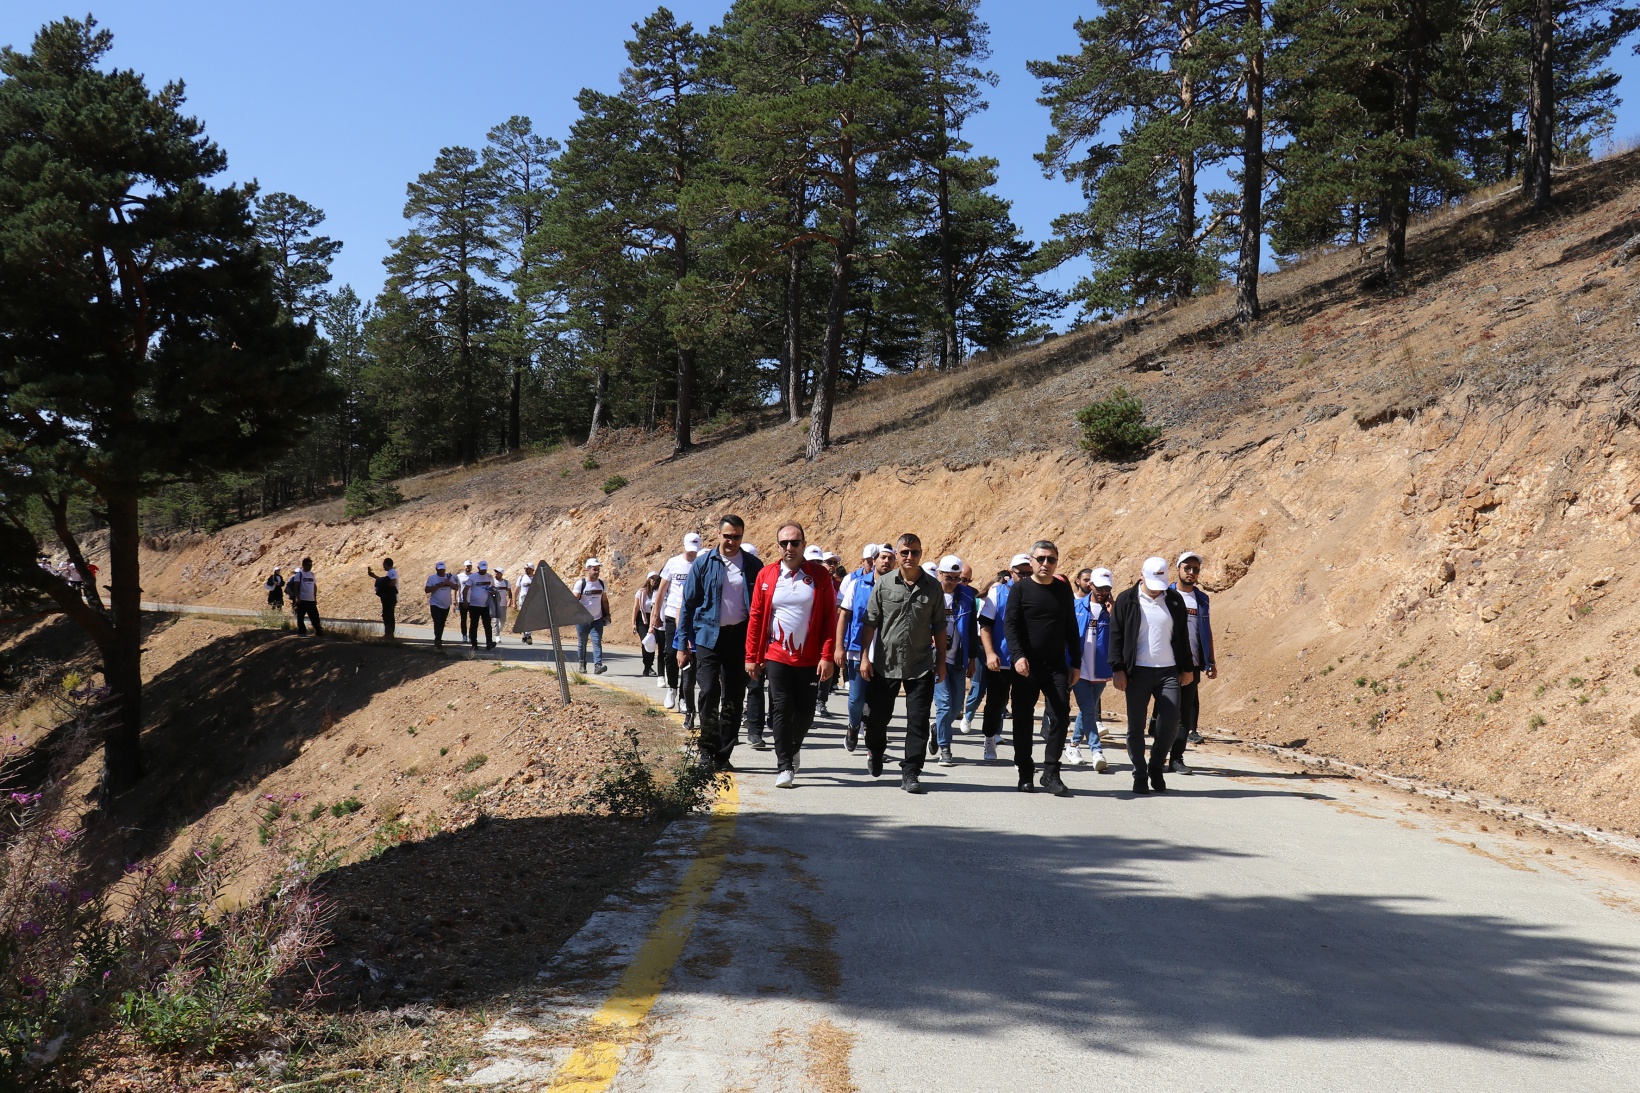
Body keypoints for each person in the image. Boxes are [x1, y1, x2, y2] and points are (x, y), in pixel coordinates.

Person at [745, 523, 837, 788]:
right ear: (778, 546)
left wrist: (827, 655)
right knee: (781, 709)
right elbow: (756, 617)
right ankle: (784, 765)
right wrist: (752, 655)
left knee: (806, 712)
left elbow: (830, 618)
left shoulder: (819, 576)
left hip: (809, 658)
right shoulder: (767, 575)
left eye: (794, 543)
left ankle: (794, 746)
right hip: (776, 656)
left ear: (803, 545)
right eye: (784, 543)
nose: (789, 548)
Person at [857, 533, 946, 795]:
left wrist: (940, 662)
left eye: (914, 552)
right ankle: (875, 750)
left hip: (921, 665)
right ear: (897, 554)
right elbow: (870, 622)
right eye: (904, 552)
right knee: (876, 721)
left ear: (921, 554)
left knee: (917, 722)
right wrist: (865, 657)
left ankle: (910, 772)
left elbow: (940, 626)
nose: (909, 557)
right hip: (885, 665)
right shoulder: (883, 584)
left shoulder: (933, 587)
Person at [681, 516, 762, 772]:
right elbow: (688, 603)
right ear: (718, 534)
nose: (731, 541)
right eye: (727, 536)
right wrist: (682, 644)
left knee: (734, 697)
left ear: (742, 536)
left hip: (739, 637)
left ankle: (723, 755)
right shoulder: (704, 563)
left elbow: (761, 607)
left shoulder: (752, 565)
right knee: (707, 692)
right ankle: (707, 751)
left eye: (737, 536)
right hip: (708, 636)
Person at [1110, 557, 1196, 795]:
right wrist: (1118, 669)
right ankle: (1139, 774)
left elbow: (1182, 637)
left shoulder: (1174, 600)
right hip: (1137, 672)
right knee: (1135, 727)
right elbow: (1115, 636)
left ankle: (1156, 766)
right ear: (1141, 575)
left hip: (1168, 670)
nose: (1157, 589)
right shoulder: (1126, 599)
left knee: (1170, 723)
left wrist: (1187, 667)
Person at [1004, 541, 1079, 797]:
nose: (1046, 564)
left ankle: (1051, 772)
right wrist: (1017, 656)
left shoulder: (1063, 590)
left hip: (1056, 666)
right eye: (1041, 559)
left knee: (1060, 715)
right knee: (1023, 720)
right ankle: (1025, 772)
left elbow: (1071, 629)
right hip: (1026, 666)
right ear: (1032, 561)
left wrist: (1076, 663)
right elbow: (1010, 625)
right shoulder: (1020, 589)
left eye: (1051, 559)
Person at [835, 543, 893, 754]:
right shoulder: (857, 585)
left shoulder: (897, 588)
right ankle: (853, 726)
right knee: (857, 699)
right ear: (874, 561)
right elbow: (844, 616)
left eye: (890, 558)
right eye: (882, 558)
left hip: (886, 654)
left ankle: (873, 744)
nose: (886, 561)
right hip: (858, 650)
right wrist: (839, 647)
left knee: (879, 702)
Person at [1165, 550, 1217, 774]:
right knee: (1165, 711)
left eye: (1196, 569)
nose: (1191, 572)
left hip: (1192, 664)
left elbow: (1206, 631)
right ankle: (1158, 754)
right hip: (1165, 662)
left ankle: (1176, 758)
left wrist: (1210, 661)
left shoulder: (1202, 599)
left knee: (1184, 713)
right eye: (1187, 568)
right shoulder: (1165, 595)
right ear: (1177, 569)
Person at [975, 557, 1032, 762]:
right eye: (1020, 572)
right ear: (1011, 572)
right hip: (1001, 660)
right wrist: (990, 653)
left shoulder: (1036, 592)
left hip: (1026, 662)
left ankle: (1022, 753)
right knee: (996, 703)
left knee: (1023, 708)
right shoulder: (997, 592)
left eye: (1028, 572)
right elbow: (985, 626)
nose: (1024, 577)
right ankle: (989, 737)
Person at [1067, 567, 1114, 772]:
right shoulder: (1075, 606)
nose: (1103, 591)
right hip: (1080, 668)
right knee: (1088, 711)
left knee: (1086, 711)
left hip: (1101, 669)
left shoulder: (1111, 611)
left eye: (1107, 588)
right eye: (1099, 587)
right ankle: (1097, 751)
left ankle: (1073, 746)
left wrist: (1113, 617)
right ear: (1090, 585)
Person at [931, 555, 977, 767]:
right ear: (940, 574)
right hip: (935, 659)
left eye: (958, 578)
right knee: (944, 704)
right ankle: (945, 747)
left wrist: (972, 659)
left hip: (958, 659)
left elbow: (970, 629)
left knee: (957, 705)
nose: (954, 583)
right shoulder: (930, 593)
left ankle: (938, 728)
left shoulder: (967, 595)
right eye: (949, 578)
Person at [650, 533, 701, 710]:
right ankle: (671, 688)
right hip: (672, 613)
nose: (692, 554)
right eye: (689, 551)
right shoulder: (673, 563)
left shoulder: (702, 562)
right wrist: (656, 614)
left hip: (693, 616)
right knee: (671, 654)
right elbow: (662, 590)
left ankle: (683, 696)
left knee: (689, 656)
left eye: (695, 551)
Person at [573, 559, 610, 672]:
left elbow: (604, 600)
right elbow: (573, 600)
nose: (597, 571)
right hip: (582, 619)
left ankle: (598, 665)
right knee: (582, 643)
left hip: (597, 619)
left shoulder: (602, 584)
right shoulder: (581, 584)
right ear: (588, 569)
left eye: (598, 569)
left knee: (597, 641)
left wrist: (607, 614)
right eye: (594, 569)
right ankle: (582, 665)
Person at [425, 562, 459, 648]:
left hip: (446, 604)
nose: (441, 571)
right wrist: (438, 585)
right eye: (440, 570)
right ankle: (438, 640)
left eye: (443, 570)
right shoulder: (432, 578)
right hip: (435, 603)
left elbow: (456, 587)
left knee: (442, 622)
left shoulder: (449, 577)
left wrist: (448, 582)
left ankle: (439, 638)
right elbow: (427, 590)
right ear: (436, 569)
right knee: (437, 621)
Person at [634, 572, 661, 676]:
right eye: (652, 578)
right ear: (648, 580)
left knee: (652, 642)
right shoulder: (641, 593)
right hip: (642, 619)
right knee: (646, 642)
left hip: (654, 618)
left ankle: (649, 666)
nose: (654, 581)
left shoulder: (658, 592)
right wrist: (633, 623)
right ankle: (647, 666)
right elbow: (635, 608)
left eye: (656, 579)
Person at [466, 561, 497, 650]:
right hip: (474, 605)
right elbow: (466, 589)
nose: (483, 571)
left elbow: (493, 587)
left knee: (487, 624)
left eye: (485, 570)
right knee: (474, 624)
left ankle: (489, 643)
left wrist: (493, 590)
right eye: (482, 569)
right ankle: (474, 644)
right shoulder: (473, 577)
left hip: (486, 605)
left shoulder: (490, 577)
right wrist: (465, 600)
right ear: (478, 568)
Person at [368, 557, 399, 639]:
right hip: (388, 597)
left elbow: (392, 582)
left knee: (388, 615)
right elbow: (385, 581)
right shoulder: (389, 573)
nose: (383, 567)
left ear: (386, 564)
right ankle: (388, 634)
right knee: (387, 615)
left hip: (390, 597)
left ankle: (389, 634)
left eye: (384, 565)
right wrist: (374, 576)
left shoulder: (392, 572)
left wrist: (383, 585)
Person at [290, 558, 322, 636]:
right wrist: (298, 598)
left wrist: (314, 598)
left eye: (311, 565)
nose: (310, 567)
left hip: (311, 599)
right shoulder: (299, 574)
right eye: (308, 565)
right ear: (303, 565)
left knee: (315, 616)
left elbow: (314, 586)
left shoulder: (311, 574)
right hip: (302, 599)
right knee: (300, 617)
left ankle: (318, 631)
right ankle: (302, 631)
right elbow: (296, 587)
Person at [456, 561, 475, 644]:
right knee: (463, 619)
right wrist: (455, 600)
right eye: (467, 566)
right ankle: (464, 635)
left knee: (473, 619)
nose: (468, 568)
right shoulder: (459, 576)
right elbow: (456, 588)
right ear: (464, 567)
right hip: (462, 600)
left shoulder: (474, 576)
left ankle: (471, 635)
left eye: (470, 566)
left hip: (473, 601)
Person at [491, 566, 512, 642]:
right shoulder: (492, 581)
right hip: (495, 603)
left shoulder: (506, 582)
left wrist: (510, 600)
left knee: (503, 621)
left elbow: (509, 592)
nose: (496, 574)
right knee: (496, 620)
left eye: (498, 573)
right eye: (495, 572)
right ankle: (497, 636)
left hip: (503, 604)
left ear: (501, 574)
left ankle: (497, 631)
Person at [516, 563, 535, 644]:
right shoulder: (521, 578)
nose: (526, 570)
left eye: (528, 569)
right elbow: (516, 589)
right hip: (522, 600)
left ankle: (528, 634)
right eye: (525, 569)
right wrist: (514, 602)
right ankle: (526, 634)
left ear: (532, 570)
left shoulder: (536, 578)